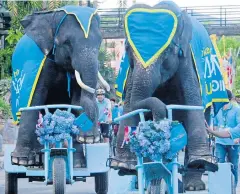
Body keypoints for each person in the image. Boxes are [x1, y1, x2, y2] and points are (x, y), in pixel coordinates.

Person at [206, 89, 240, 188]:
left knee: (234, 165)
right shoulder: (218, 111)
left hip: (233, 143)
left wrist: (238, 139)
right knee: (219, 164)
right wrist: (215, 134)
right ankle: (221, 187)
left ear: (228, 99)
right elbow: (215, 125)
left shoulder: (237, 110)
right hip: (220, 142)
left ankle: (233, 187)